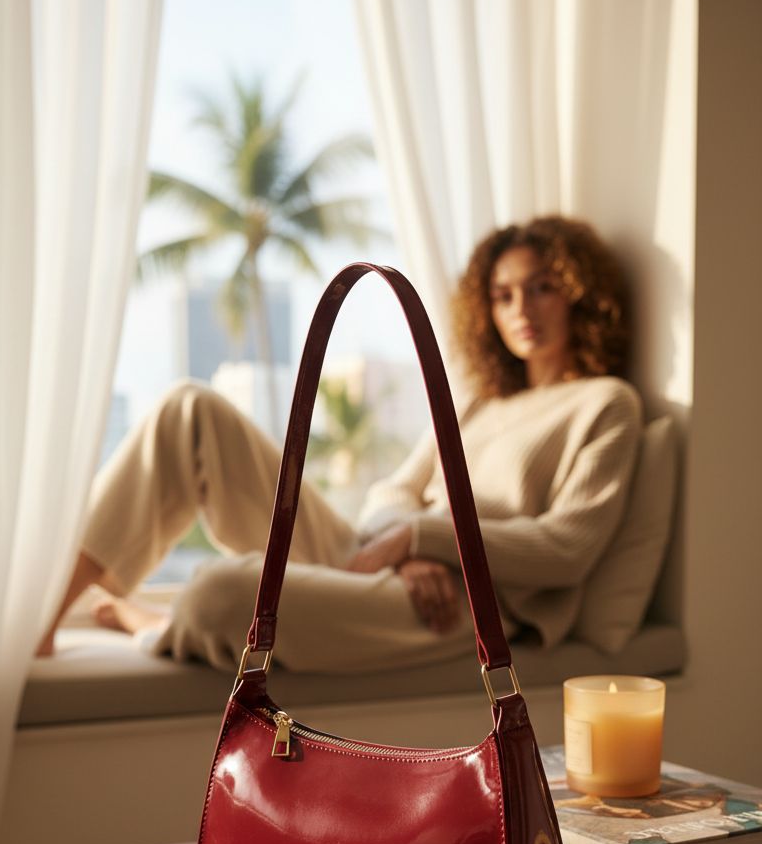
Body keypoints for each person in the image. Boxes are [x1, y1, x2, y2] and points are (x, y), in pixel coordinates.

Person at [37, 215, 642, 673]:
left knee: (219, 594)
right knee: (190, 411)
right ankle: (43, 620)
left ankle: (154, 623)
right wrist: (405, 546)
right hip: (380, 559)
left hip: (461, 606)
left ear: (579, 293)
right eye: (503, 294)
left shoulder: (606, 404)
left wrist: (424, 540)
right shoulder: (482, 402)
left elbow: (569, 548)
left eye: (540, 288)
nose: (520, 309)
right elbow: (392, 490)